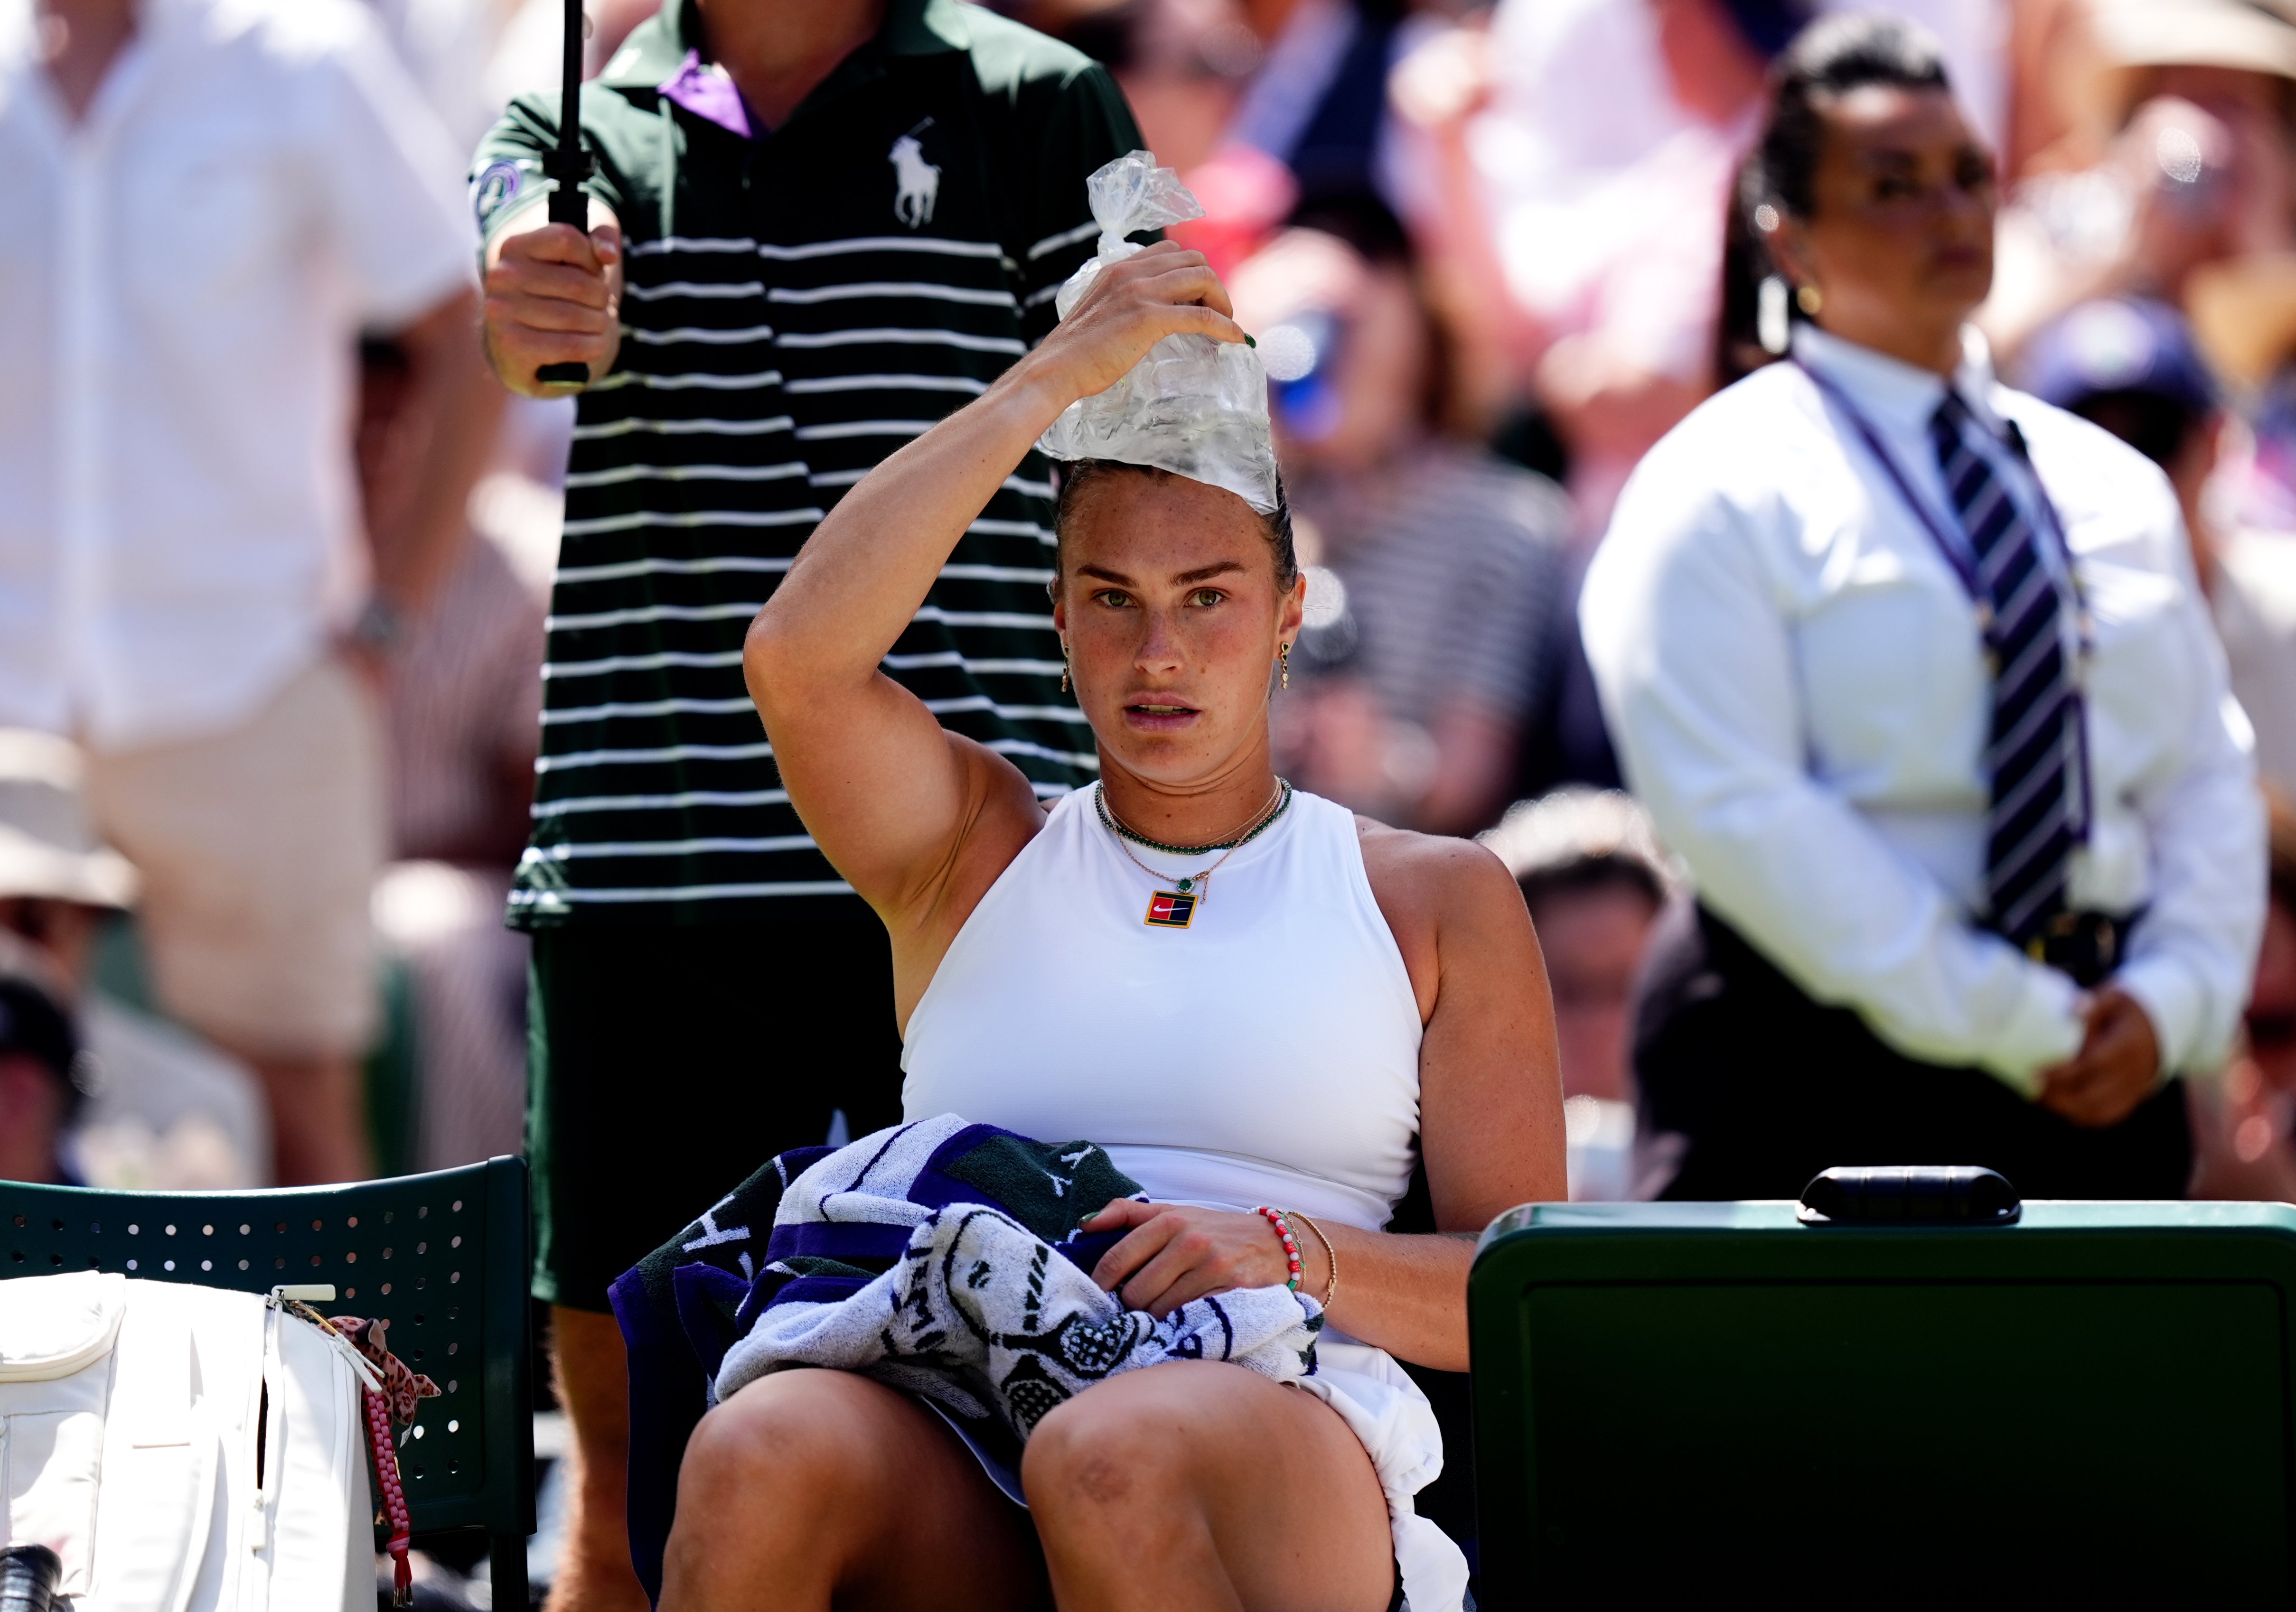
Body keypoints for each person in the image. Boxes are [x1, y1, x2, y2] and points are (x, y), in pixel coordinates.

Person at [654, 239, 1562, 1610]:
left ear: (1285, 617)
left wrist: (1279, 1244)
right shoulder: (969, 848)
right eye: (1112, 602)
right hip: (956, 1384)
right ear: (1060, 623)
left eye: (1207, 598)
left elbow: (1527, 1299)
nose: (1159, 655)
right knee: (755, 1448)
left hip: (1273, 1390)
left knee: (1107, 1448)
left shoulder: (1432, 895)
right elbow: (796, 659)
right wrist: (1050, 380)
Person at [471, 3, 1148, 1604]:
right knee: (624, 1507)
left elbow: (1170, 434)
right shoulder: (565, 113)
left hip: (970, 875)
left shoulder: (1038, 100)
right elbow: (526, 321)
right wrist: (524, 290)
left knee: (1018, 1448)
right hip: (650, 878)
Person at [1582, 15, 2265, 1200]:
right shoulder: (1717, 483)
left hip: (2105, 1072)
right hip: (1808, 1068)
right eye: (1891, 187)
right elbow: (1737, 808)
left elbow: (2204, 768)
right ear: (1786, 238)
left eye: (1965, 177)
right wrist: (2010, 1015)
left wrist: (2176, 1001)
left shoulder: (2112, 483)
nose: (1948, 216)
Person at [1, 0, 499, 1188]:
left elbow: (464, 321)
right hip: (15, 696)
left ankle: (350, 1386)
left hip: (257, 683)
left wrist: (387, 616)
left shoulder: (299, 62)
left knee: (300, 1127)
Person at [1230, 202, 1572, 836]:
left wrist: (1382, 763)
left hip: (1405, 893)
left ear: (1413, 308)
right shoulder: (1228, 515)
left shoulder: (1505, 523)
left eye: (1347, 318)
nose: (1314, 349)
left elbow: (1471, 780)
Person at [2018, 296, 2296, 804]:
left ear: (2215, 444)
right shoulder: (2013, 640)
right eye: (2088, 451)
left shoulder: (2288, 608)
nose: (2127, 479)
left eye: (2152, 441)